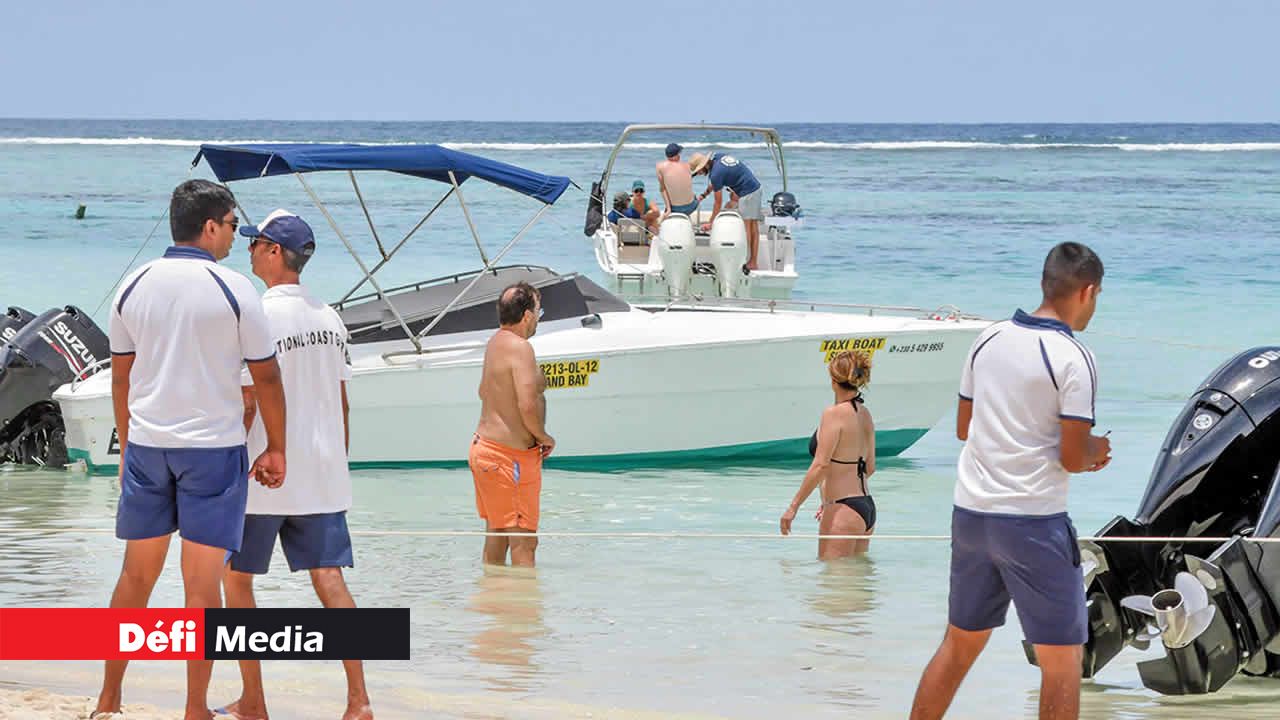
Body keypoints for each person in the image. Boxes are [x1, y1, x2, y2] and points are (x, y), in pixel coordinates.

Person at [93, 179, 286, 720]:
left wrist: (129, 446)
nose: (232, 237)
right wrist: (277, 448)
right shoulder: (234, 289)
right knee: (202, 590)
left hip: (149, 448)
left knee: (135, 577)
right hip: (212, 451)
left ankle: (109, 699)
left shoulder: (133, 285)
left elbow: (121, 381)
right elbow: (267, 380)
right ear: (209, 226)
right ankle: (194, 709)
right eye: (230, 226)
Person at [909, 242, 1113, 720]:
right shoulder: (1073, 357)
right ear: (1087, 291)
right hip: (1033, 523)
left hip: (972, 517)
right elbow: (1071, 456)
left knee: (959, 645)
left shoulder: (988, 338)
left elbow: (964, 428)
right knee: (1062, 661)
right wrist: (1096, 451)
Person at [215, 210, 373, 720]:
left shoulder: (258, 315)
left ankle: (254, 701)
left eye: (256, 243)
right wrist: (335, 468)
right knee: (329, 579)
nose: (249, 249)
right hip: (322, 474)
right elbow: (343, 405)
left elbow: (247, 401)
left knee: (236, 581)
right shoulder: (331, 317)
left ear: (275, 252)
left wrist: (224, 472)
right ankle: (359, 701)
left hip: (263, 473)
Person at [470, 282, 553, 567]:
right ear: (528, 315)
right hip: (509, 459)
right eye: (538, 312)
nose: (538, 320)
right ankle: (523, 611)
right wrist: (543, 437)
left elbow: (483, 391)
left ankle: (495, 606)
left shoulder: (495, 343)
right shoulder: (521, 348)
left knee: (497, 534)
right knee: (524, 543)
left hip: (486, 451)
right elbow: (527, 404)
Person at [780, 350, 877, 560]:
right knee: (855, 587)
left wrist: (793, 507)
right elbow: (870, 468)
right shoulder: (865, 414)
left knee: (832, 589)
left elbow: (821, 465)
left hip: (843, 509)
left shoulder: (832, 414)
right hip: (866, 507)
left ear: (833, 380)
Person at [688, 151, 764, 269]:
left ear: (703, 167)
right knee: (752, 226)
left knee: (748, 227)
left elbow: (718, 202)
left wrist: (711, 222)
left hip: (748, 193)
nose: (700, 174)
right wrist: (704, 195)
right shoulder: (718, 158)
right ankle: (751, 261)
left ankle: (750, 262)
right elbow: (718, 182)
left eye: (698, 172)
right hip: (754, 187)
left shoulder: (715, 174)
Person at [656, 142, 698, 215]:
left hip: (674, 209)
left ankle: (668, 209)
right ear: (677, 155)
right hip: (691, 207)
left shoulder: (660, 167)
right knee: (694, 196)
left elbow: (662, 189)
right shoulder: (687, 165)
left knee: (664, 188)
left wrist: (668, 208)